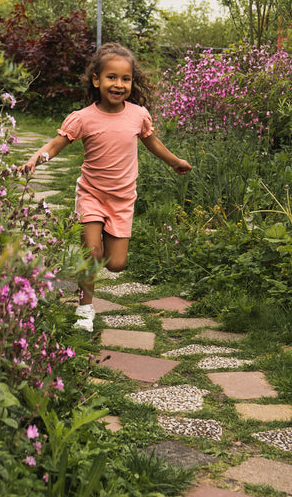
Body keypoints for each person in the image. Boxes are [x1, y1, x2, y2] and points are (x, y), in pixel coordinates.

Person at [21, 43, 192, 330]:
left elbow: (152, 143)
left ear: (132, 83)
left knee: (115, 264)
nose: (119, 84)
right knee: (93, 254)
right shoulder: (83, 118)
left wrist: (174, 161)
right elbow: (56, 144)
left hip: (123, 199)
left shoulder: (138, 115)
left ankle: (84, 270)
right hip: (91, 194)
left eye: (126, 79)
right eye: (112, 77)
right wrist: (36, 159)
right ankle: (85, 309)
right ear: (96, 80)